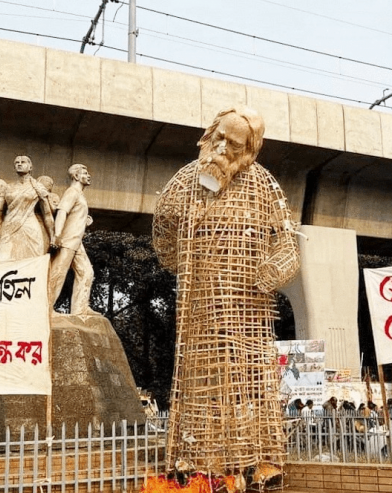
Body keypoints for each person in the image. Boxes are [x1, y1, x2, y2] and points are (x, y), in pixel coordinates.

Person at [153, 106, 300, 477]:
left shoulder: (263, 185)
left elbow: (287, 247)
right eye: (218, 136)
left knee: (255, 384)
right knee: (201, 385)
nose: (221, 147)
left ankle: (265, 459)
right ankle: (201, 461)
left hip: (249, 308)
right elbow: (164, 240)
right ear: (208, 134)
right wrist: (190, 264)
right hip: (200, 307)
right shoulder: (184, 181)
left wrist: (271, 271)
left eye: (233, 144)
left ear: (249, 151)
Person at [48, 164, 96, 314]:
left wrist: (84, 218)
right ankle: (46, 308)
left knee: (86, 272)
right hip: (67, 240)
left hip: (76, 241)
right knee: (58, 273)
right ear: (76, 176)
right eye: (85, 173)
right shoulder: (72, 192)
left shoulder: (80, 195)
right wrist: (57, 235)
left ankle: (80, 309)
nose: (89, 176)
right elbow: (62, 212)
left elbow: (73, 214)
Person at [0, 156, 54, 261]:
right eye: (17, 162)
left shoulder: (38, 187)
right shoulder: (7, 187)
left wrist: (53, 236)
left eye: (23, 162)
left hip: (29, 226)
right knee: (3, 260)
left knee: (32, 261)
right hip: (9, 226)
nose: (19, 164)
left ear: (30, 167)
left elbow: (47, 214)